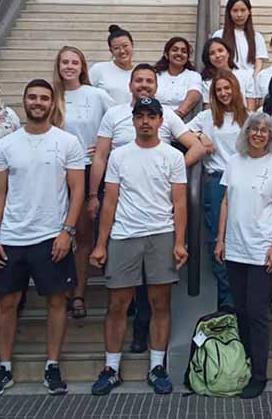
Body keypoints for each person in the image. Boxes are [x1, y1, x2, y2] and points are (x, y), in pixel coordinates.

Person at [88, 64, 205, 352]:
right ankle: (114, 359)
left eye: (149, 81)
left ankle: (146, 342)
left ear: (156, 86)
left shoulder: (167, 119)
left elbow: (197, 147)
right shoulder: (114, 116)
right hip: (122, 202)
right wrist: (93, 193)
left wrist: (171, 170)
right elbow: (101, 155)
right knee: (120, 297)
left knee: (156, 296)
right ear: (130, 85)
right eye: (138, 80)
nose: (143, 85)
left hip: (157, 213)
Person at [0, 79, 84, 397]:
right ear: (24, 101)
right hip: (12, 237)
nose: (38, 102)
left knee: (57, 301)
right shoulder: (6, 145)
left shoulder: (67, 142)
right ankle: (4, 367)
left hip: (52, 236)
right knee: (7, 303)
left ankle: (52, 365)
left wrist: (67, 231)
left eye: (43, 98)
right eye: (32, 97)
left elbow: (78, 190)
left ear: (52, 103)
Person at [89, 97, 188, 396]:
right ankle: (111, 368)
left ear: (160, 120)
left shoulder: (173, 156)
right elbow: (110, 201)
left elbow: (180, 202)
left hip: (161, 233)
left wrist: (180, 242)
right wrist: (100, 244)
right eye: (140, 116)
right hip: (124, 234)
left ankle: (157, 366)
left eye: (151, 116)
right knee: (117, 304)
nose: (146, 121)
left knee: (160, 303)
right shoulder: (119, 156)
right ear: (133, 120)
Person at [214, 113, 272, 399]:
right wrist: (220, 239)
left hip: (260, 248)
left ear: (270, 136)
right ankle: (243, 365)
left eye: (264, 130)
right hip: (234, 247)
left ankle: (259, 375)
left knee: (257, 312)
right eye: (254, 129)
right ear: (246, 133)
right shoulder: (234, 161)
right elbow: (226, 201)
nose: (258, 134)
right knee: (241, 310)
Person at [50, 46, 114, 319]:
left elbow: (120, 121)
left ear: (82, 67)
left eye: (74, 62)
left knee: (84, 234)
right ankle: (59, 289)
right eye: (64, 62)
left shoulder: (96, 95)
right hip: (56, 172)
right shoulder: (51, 96)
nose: (69, 66)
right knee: (58, 231)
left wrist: (105, 147)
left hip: (88, 170)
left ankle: (78, 293)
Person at [187, 70, 250, 309]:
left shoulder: (249, 117)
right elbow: (179, 131)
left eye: (227, 88)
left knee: (243, 236)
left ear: (235, 89)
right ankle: (227, 301)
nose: (223, 93)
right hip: (216, 182)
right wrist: (200, 137)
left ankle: (244, 298)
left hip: (244, 182)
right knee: (218, 239)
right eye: (219, 89)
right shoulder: (206, 117)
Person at [213, 0, 268, 75]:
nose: (239, 15)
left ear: (249, 11)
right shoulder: (219, 35)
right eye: (235, 11)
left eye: (243, 10)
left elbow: (258, 64)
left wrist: (253, 80)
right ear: (229, 12)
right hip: (227, 78)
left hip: (250, 80)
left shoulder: (257, 37)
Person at [200, 37, 257, 109]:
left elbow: (251, 107)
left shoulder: (245, 76)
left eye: (220, 50)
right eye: (212, 53)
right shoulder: (206, 82)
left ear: (228, 53)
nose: (217, 55)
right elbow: (208, 108)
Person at [154, 36, 203, 119]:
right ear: (166, 54)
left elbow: (194, 95)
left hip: (182, 120)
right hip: (155, 119)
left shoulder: (193, 76)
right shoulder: (156, 75)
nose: (179, 53)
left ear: (188, 57)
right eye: (174, 50)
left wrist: (176, 117)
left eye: (184, 51)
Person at [89, 25, 135, 105]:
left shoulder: (139, 73)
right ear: (111, 50)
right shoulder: (99, 69)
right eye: (116, 48)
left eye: (125, 46)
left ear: (132, 45)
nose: (122, 51)